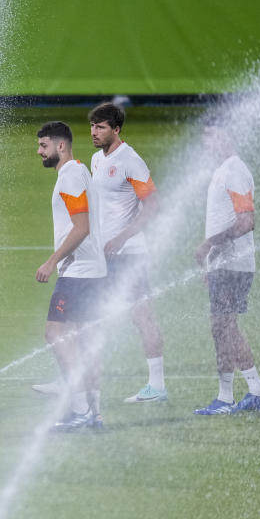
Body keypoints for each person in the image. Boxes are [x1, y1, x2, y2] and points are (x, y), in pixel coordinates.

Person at [90, 102, 167, 403]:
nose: (94, 132)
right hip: (103, 256)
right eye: (93, 126)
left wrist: (122, 238)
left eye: (101, 127)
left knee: (142, 316)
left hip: (129, 255)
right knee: (85, 315)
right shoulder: (97, 160)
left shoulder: (130, 161)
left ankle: (157, 385)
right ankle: (76, 377)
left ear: (116, 129)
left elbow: (154, 206)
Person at [192, 124, 260, 415]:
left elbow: (247, 220)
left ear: (226, 137)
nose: (207, 145)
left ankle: (251, 392)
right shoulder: (222, 170)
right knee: (220, 328)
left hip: (235, 264)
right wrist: (211, 262)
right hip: (222, 265)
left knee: (225, 326)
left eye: (211, 137)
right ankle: (231, 396)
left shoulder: (234, 170)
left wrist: (209, 245)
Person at [35, 122, 107, 430]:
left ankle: (80, 410)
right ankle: (95, 413)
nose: (39, 152)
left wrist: (52, 262)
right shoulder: (78, 172)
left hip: (78, 273)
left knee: (55, 334)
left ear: (60, 146)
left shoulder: (72, 175)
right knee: (83, 340)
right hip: (90, 271)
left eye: (43, 146)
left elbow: (81, 227)